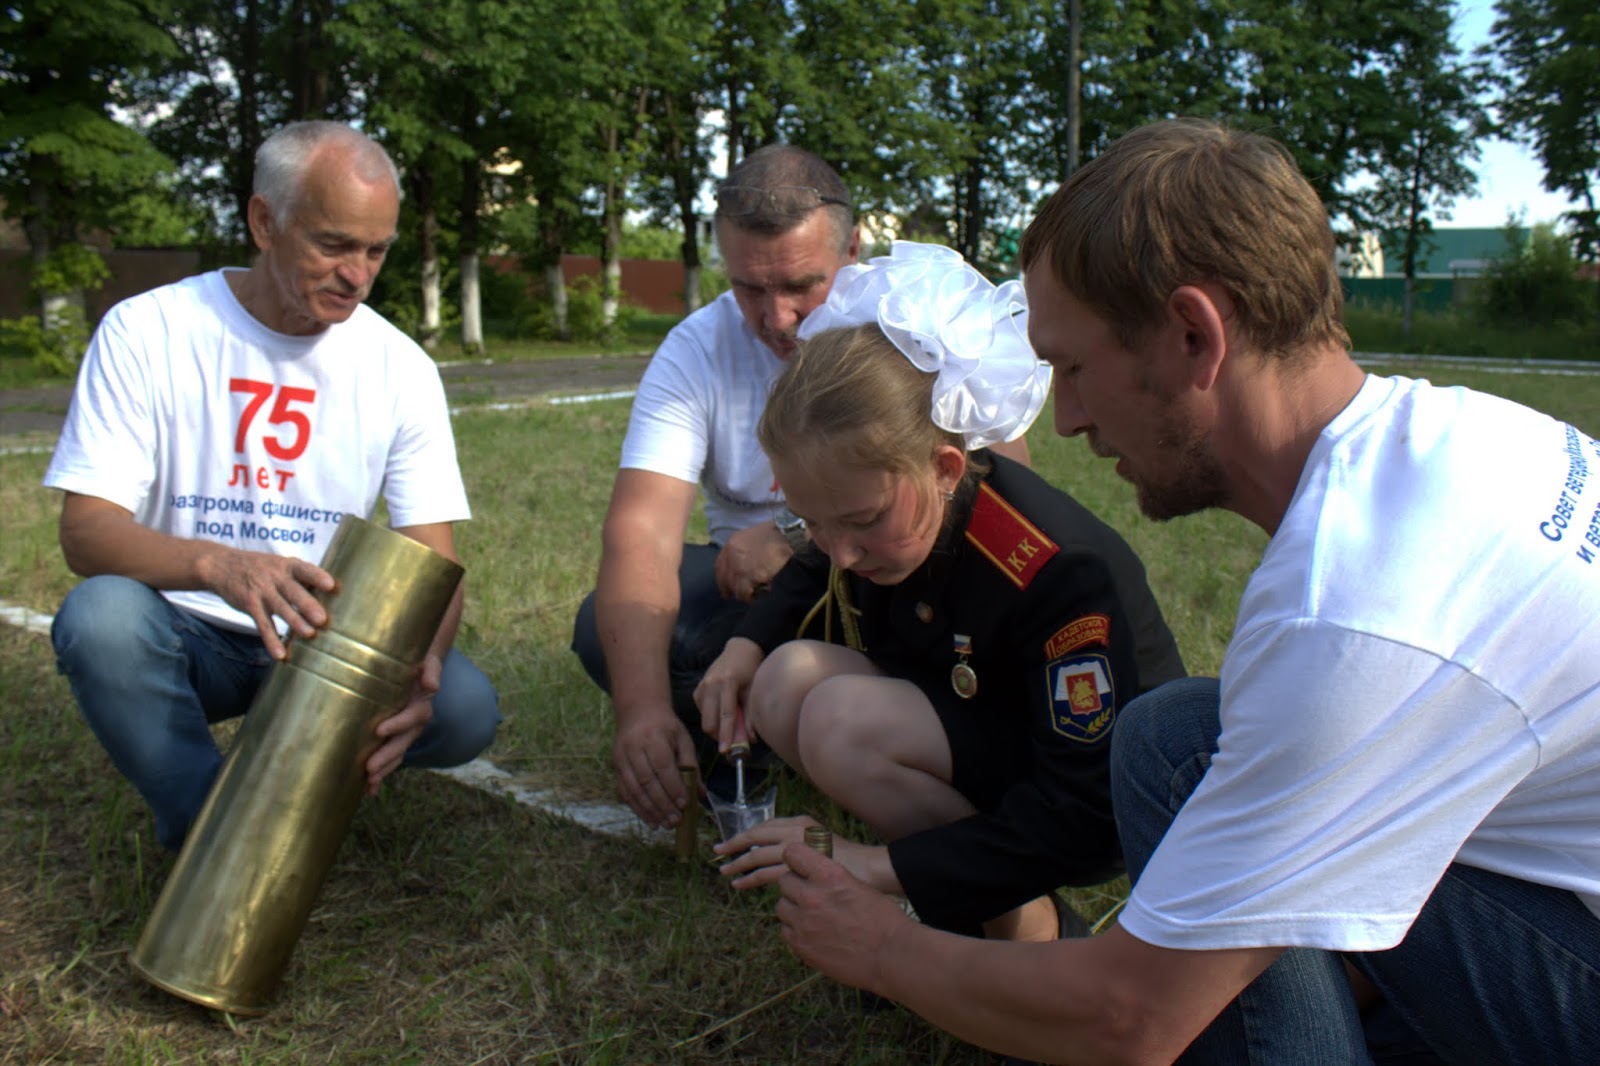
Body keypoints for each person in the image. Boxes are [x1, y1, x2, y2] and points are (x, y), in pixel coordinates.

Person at [770, 119, 1600, 1063]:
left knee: (1184, 760)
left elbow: (1128, 1019)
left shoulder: (1353, 620)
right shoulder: (1472, 435)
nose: (1065, 418)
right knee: (1178, 737)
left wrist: (882, 949)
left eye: (1073, 369)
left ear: (1194, 336)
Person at [695, 242, 1186, 943]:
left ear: (947, 467)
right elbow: (814, 563)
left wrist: (871, 865)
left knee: (840, 721)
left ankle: (1030, 929)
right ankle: (955, 894)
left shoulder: (1052, 569)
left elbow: (1085, 813)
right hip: (983, 730)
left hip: (1090, 794)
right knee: (781, 681)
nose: (841, 553)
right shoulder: (887, 510)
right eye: (812, 521)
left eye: (863, 521)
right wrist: (742, 648)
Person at [45, 120, 501, 853]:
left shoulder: (401, 368)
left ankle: (288, 780)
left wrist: (426, 669)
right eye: (334, 244)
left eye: (376, 250)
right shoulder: (150, 331)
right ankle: (210, 832)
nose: (357, 274)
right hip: (185, 630)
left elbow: (433, 560)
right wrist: (218, 565)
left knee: (465, 709)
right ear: (264, 222)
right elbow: (86, 533)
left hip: (322, 643)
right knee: (102, 621)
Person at [572, 147, 1030, 829]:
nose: (777, 317)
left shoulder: (913, 329)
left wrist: (794, 534)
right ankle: (760, 728)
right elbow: (642, 532)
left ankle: (838, 734)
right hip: (760, 599)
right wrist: (639, 712)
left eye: (800, 285)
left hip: (907, 593)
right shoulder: (696, 349)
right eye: (748, 288)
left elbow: (1005, 492)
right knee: (613, 629)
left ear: (854, 249)